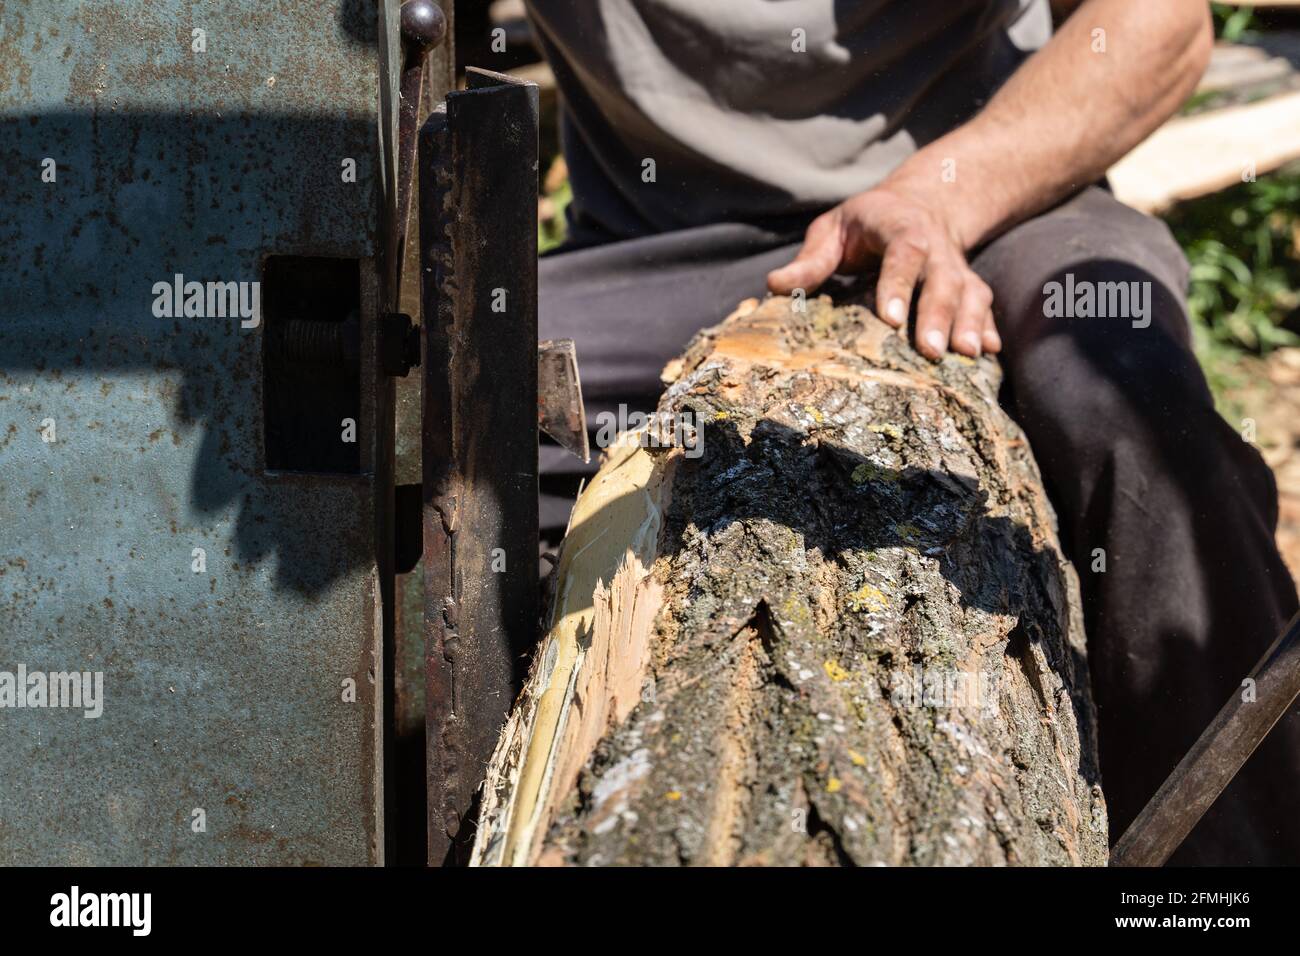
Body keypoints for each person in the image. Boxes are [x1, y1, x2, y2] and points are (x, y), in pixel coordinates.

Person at [528, 0, 1300, 864]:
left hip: (1001, 202)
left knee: (1143, 433)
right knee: (425, 435)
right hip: (663, 240)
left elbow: (1158, 24)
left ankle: (1227, 879)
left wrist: (934, 194)